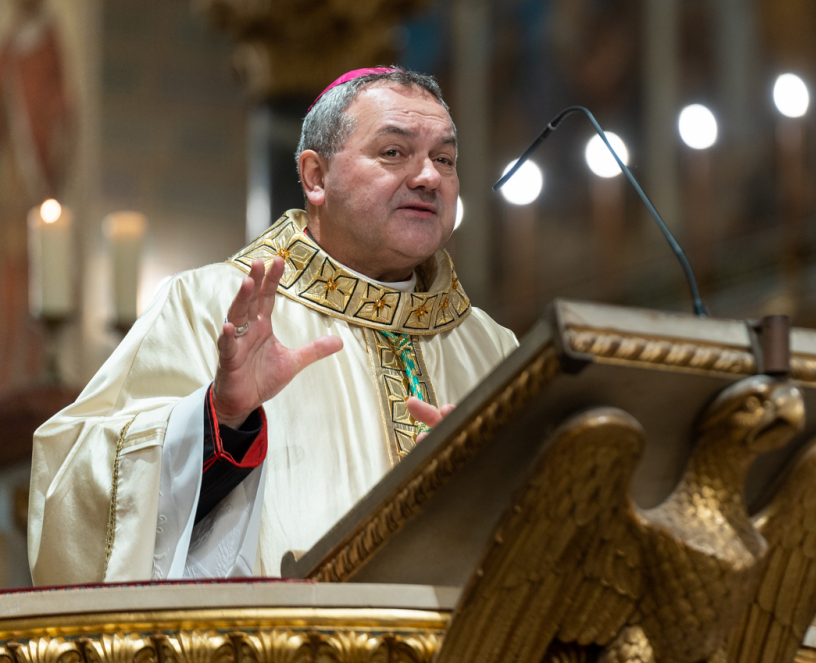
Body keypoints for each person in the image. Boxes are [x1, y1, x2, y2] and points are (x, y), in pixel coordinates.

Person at [27, 67, 517, 584]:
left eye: (444, 159)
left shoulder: (491, 346)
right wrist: (220, 421)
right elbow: (70, 497)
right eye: (394, 152)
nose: (429, 177)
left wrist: (498, 482)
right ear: (315, 177)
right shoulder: (208, 305)